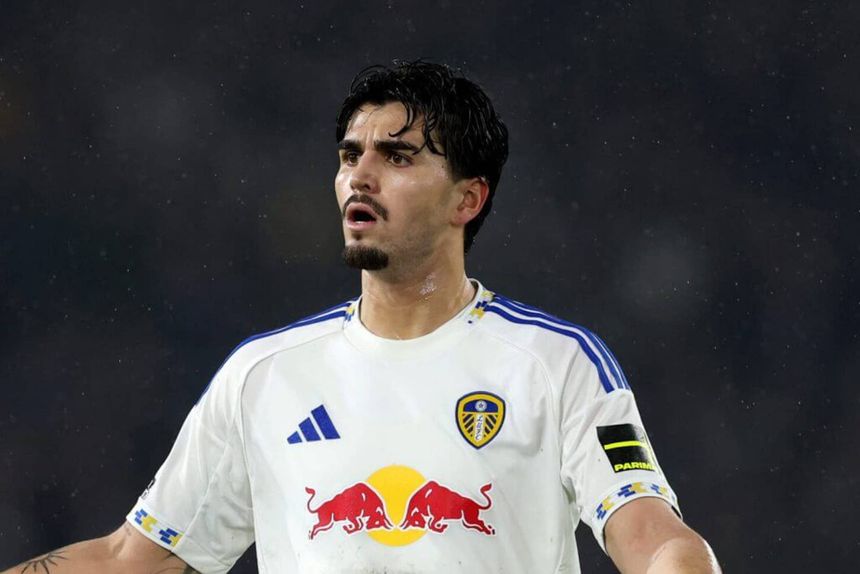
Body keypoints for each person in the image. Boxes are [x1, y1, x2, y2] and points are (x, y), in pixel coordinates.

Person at [2, 61, 721, 574]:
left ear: (468, 199)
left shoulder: (555, 365)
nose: (361, 176)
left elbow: (652, 537)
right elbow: (136, 559)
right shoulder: (264, 375)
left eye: (398, 157)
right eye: (350, 156)